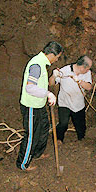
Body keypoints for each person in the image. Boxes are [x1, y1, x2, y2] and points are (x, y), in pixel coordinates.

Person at [16, 41, 63, 171]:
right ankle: (23, 164)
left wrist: (53, 75)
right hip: (31, 106)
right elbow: (30, 87)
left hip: (39, 104)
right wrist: (48, 93)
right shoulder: (36, 64)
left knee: (43, 128)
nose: (57, 59)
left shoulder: (42, 63)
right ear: (52, 54)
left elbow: (42, 83)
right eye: (57, 57)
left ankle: (37, 153)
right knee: (32, 135)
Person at [49, 55, 92, 143]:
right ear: (82, 67)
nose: (88, 70)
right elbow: (51, 84)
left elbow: (89, 87)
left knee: (81, 126)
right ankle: (58, 139)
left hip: (78, 103)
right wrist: (53, 76)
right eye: (87, 69)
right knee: (63, 124)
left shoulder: (87, 73)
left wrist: (80, 81)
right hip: (65, 102)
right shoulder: (65, 71)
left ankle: (81, 140)